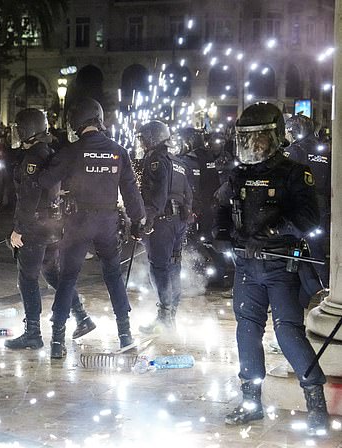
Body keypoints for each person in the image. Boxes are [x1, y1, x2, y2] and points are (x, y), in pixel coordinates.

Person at [212, 103, 328, 435]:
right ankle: (251, 403)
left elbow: (309, 219)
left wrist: (271, 233)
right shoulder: (239, 173)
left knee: (288, 333)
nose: (253, 147)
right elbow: (222, 206)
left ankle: (315, 405)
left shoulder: (294, 173)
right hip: (247, 268)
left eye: (260, 139)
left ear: (275, 137)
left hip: (280, 266)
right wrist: (221, 234)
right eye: (247, 140)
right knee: (246, 331)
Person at [37, 98, 146, 359]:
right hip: (108, 222)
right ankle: (125, 334)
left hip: (78, 222)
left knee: (67, 279)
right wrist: (138, 222)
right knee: (113, 276)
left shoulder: (71, 151)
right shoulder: (118, 151)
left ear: (75, 123)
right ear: (99, 119)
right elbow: (131, 191)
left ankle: (57, 341)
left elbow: (45, 180)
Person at [5, 108, 96, 350]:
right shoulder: (49, 151)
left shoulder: (33, 157)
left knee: (28, 278)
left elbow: (29, 197)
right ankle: (82, 316)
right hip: (53, 225)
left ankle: (33, 332)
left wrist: (18, 229)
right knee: (53, 273)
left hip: (35, 227)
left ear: (28, 130)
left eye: (19, 128)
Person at [136, 121, 192, 331]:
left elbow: (158, 195)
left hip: (162, 221)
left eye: (143, 138)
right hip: (179, 221)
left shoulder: (156, 160)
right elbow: (188, 194)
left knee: (158, 267)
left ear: (152, 137)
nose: (141, 143)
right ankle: (171, 316)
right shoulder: (178, 161)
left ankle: (164, 316)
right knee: (174, 266)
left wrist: (147, 219)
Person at [284, 114, 331, 290]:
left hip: (299, 205)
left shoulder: (295, 151)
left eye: (289, 131)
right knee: (316, 248)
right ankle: (325, 286)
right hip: (320, 206)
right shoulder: (324, 150)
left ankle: (291, 289)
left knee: (289, 246)